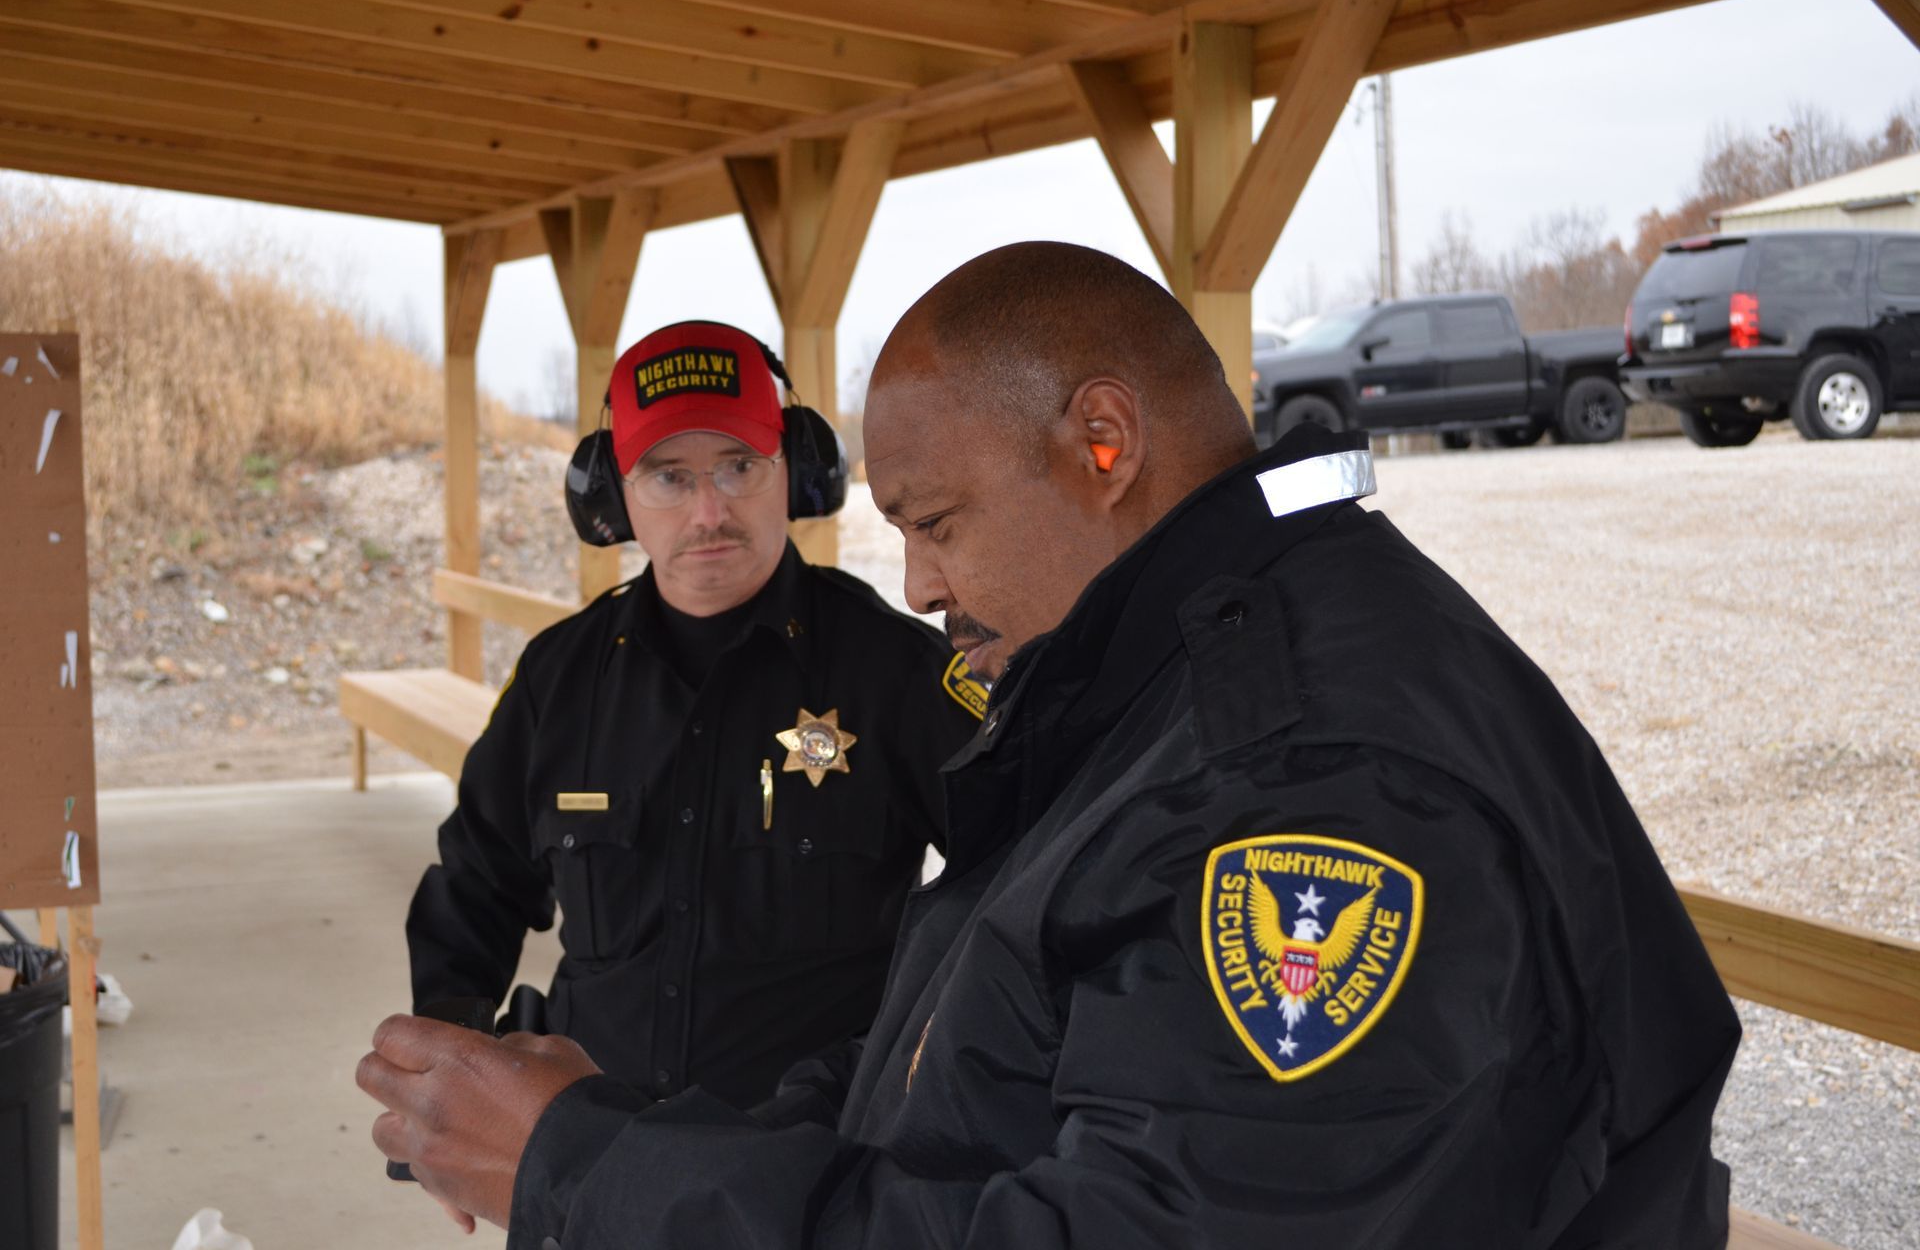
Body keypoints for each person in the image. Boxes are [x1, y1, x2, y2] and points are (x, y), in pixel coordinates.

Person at [361, 247, 1741, 1248]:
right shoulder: (1148, 691)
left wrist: (594, 1170)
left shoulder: (1307, 784)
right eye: (671, 477)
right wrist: (618, 1146)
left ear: (1103, 441)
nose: (916, 584)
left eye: (941, 522)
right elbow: (960, 1045)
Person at [402, 319, 983, 1115]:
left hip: (810, 1176)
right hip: (589, 1162)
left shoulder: (898, 672)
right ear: (615, 497)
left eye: (740, 466)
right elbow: (477, 885)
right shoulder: (559, 678)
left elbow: (1024, 877)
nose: (709, 511)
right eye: (669, 477)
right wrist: (447, 1073)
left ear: (798, 472)